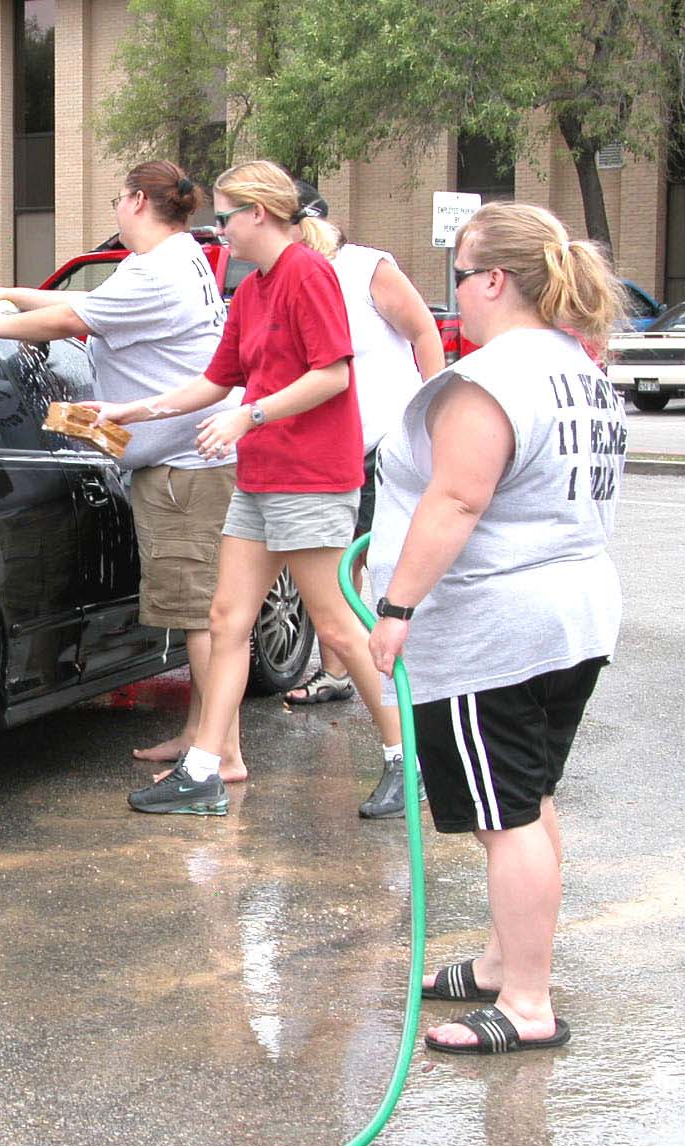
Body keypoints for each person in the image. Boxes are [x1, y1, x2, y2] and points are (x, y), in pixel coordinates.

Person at [366, 202, 626, 1054]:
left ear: (492, 281)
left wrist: (396, 607)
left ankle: (525, 1004)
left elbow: (460, 497)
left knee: (508, 814)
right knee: (527, 796)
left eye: (459, 271)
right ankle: (501, 965)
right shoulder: (578, 368)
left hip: (495, 628)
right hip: (571, 616)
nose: (456, 289)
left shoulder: (495, 378)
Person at [86, 160, 405, 817]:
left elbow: (333, 376)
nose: (218, 231)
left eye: (226, 217)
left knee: (339, 632)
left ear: (260, 213)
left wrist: (250, 413)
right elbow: (212, 381)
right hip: (258, 477)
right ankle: (205, 771)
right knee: (228, 621)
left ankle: (408, 757)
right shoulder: (250, 288)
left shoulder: (306, 274)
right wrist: (130, 411)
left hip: (312, 477)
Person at [0, 159, 244, 781]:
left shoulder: (160, 271)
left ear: (137, 200)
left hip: (185, 467)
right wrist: (6, 292)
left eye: (118, 197)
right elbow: (81, 301)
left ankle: (219, 753)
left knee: (200, 616)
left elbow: (72, 322)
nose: (115, 207)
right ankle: (198, 733)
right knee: (199, 613)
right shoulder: (170, 256)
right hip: (179, 462)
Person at [281, 201, 445, 797]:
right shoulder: (286, 276)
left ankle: (414, 730)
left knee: (380, 575)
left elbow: (423, 328)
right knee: (338, 572)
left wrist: (436, 405)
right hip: (330, 452)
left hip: (384, 442)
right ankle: (337, 673)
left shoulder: (364, 266)